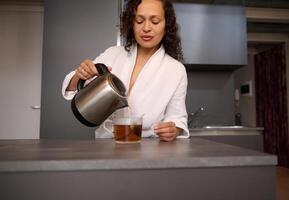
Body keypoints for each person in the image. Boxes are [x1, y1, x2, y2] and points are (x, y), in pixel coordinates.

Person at [62, 0, 189, 141]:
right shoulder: (112, 54)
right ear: (131, 24)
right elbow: (75, 89)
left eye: (155, 21)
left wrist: (174, 130)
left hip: (147, 147)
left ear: (166, 26)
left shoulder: (176, 70)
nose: (146, 28)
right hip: (106, 145)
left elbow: (177, 118)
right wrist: (80, 75)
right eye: (139, 21)